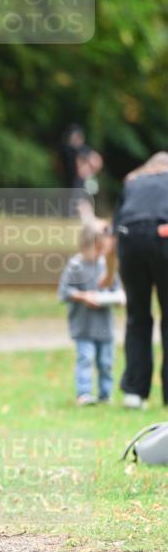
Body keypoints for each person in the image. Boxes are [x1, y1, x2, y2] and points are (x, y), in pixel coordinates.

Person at [111, 152, 168, 408]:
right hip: (164, 237)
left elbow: (114, 232)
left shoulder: (132, 182)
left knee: (137, 316)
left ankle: (135, 392)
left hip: (129, 241)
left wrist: (108, 275)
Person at [58, 223, 126, 406]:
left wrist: (117, 298)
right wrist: (83, 296)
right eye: (96, 249)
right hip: (84, 326)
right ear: (84, 246)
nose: (99, 253)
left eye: (102, 249)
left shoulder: (106, 265)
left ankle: (105, 394)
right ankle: (84, 393)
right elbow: (64, 292)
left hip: (104, 326)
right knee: (86, 359)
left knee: (106, 362)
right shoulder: (75, 266)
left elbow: (117, 289)